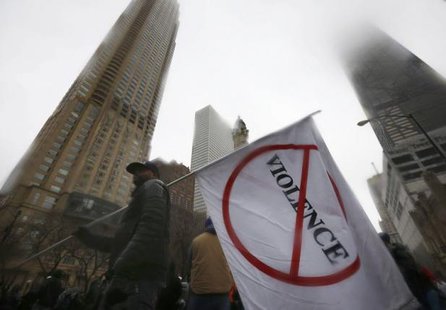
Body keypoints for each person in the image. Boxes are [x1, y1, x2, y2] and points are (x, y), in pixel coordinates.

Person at [74, 160, 171, 310]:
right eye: (135, 171)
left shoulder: (154, 185)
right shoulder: (139, 197)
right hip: (125, 274)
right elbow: (118, 244)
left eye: (141, 170)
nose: (136, 174)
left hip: (139, 276)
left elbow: (151, 229)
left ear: (153, 173)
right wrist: (87, 237)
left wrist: (121, 265)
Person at [379, 232, 441, 310]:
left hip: (419, 289)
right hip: (419, 289)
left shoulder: (394, 251)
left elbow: (410, 267)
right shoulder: (396, 250)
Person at [186, 217, 233, 310]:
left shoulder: (196, 241)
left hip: (199, 292)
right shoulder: (226, 243)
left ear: (206, 226)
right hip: (222, 292)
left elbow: (188, 264)